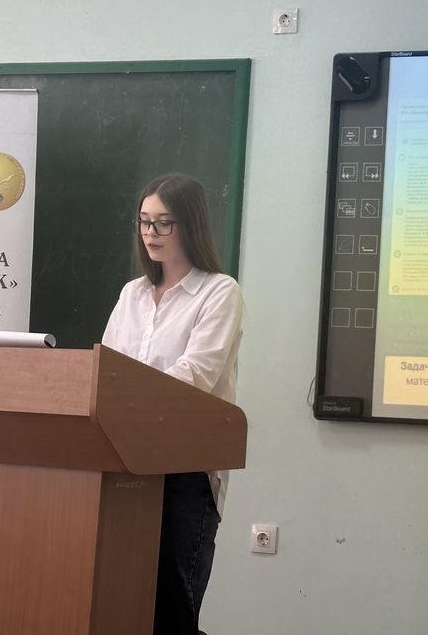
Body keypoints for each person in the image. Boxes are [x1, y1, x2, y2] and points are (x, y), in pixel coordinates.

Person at [102, 173, 243, 635]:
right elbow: (105, 371)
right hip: (123, 464)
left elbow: (195, 375)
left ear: (190, 224)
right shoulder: (132, 294)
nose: (151, 233)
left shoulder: (219, 292)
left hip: (185, 470)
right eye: (144, 222)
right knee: (119, 605)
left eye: (163, 222)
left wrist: (127, 394)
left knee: (173, 612)